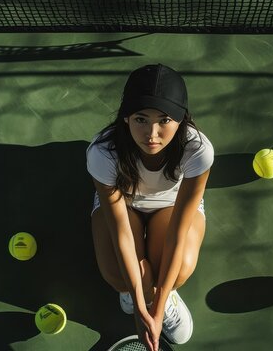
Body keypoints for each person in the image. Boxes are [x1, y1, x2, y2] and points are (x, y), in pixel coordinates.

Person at [86, 64, 214, 351]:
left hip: (172, 204)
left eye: (164, 120)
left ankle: (164, 299)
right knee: (115, 273)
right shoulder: (103, 153)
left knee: (179, 268)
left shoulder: (198, 150)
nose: (152, 133)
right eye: (141, 119)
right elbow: (121, 232)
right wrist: (137, 298)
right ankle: (137, 293)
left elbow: (178, 234)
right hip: (123, 203)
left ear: (181, 120)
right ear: (126, 117)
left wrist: (155, 309)